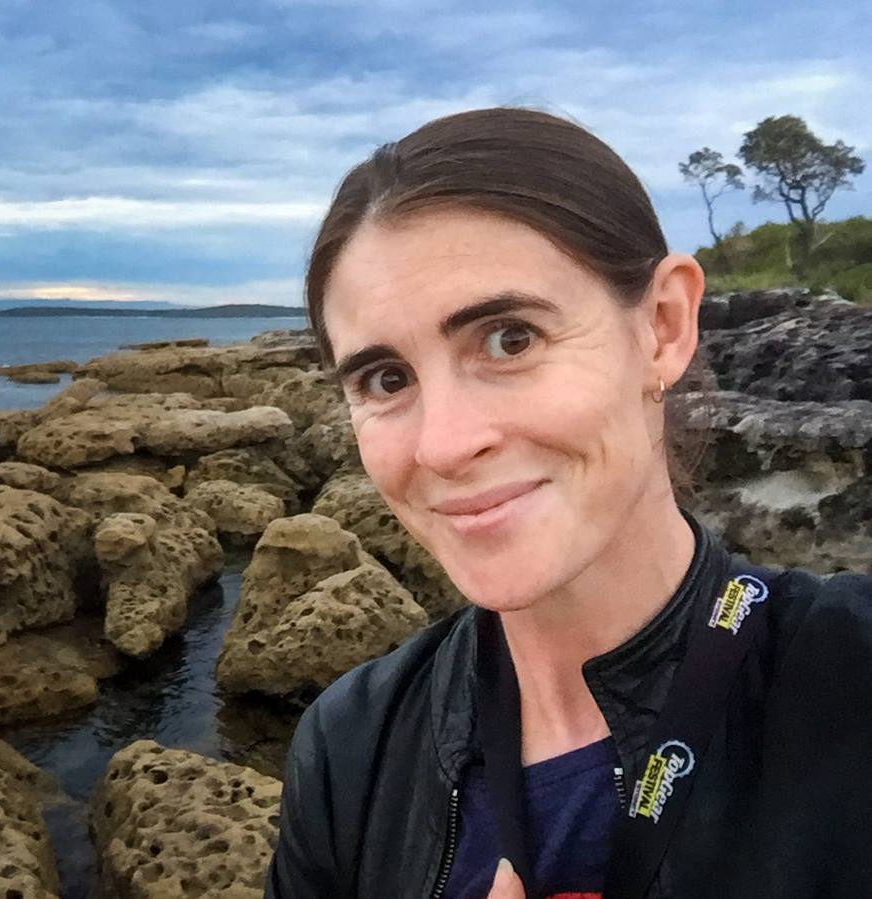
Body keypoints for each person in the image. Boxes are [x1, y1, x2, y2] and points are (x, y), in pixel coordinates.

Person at [265, 107, 872, 899]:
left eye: (509, 338)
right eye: (386, 379)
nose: (442, 445)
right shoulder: (351, 748)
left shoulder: (848, 674)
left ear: (662, 327)